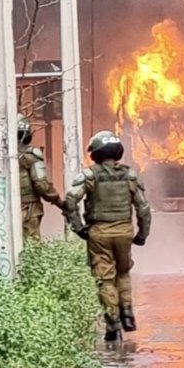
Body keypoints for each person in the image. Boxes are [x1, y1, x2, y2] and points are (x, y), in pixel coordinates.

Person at [63, 131, 151, 343]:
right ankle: (127, 314)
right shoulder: (130, 175)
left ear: (95, 154)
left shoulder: (89, 176)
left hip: (99, 234)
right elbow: (143, 208)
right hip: (124, 232)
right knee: (123, 273)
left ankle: (112, 324)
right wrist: (142, 234)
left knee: (105, 279)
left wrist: (78, 228)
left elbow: (70, 202)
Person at [17, 116, 63, 239]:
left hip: (3, 210)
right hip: (28, 209)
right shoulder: (30, 155)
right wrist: (60, 202)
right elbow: (41, 185)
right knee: (31, 247)